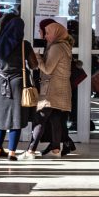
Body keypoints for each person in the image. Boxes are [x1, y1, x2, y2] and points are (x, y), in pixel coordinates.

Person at [0, 17, 37, 161]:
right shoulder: (24, 45)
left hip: (0, 81)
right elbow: (34, 65)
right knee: (16, 117)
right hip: (18, 83)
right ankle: (11, 153)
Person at [25, 21, 73, 158]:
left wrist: (37, 57)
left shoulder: (56, 48)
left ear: (56, 33)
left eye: (47, 33)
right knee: (55, 119)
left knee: (40, 118)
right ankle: (56, 150)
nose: (45, 36)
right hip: (60, 88)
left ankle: (30, 151)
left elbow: (47, 69)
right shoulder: (64, 45)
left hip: (52, 89)